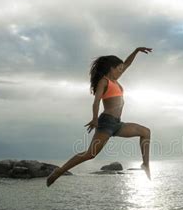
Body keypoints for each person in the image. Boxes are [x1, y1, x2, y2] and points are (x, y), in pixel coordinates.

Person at [46, 47, 153, 187]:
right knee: (90, 154)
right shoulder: (105, 81)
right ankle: (59, 171)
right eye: (119, 68)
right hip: (106, 123)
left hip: (117, 124)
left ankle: (145, 165)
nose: (122, 70)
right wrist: (95, 118)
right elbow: (96, 101)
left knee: (146, 132)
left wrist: (136, 51)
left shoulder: (115, 79)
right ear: (111, 68)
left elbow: (127, 63)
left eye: (122, 68)